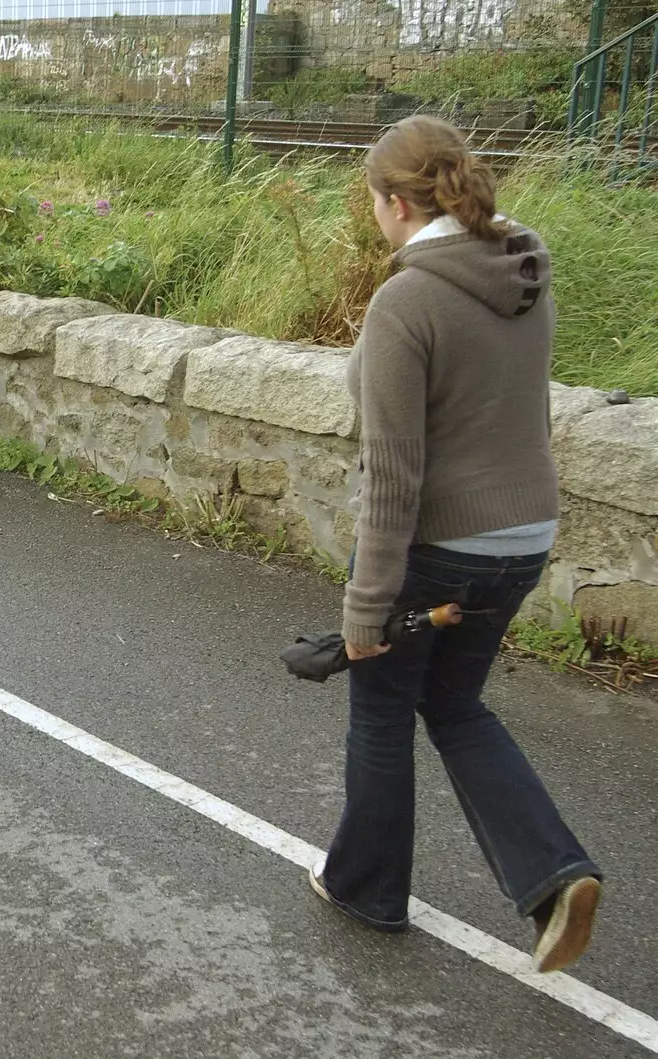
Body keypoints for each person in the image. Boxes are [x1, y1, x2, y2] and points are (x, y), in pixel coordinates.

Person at [309, 115, 601, 974]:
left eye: (373, 201)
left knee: (383, 708)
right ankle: (555, 875)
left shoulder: (409, 299)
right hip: (524, 533)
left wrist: (366, 608)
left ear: (396, 202)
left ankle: (365, 886)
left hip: (441, 540)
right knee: (457, 702)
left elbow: (395, 474)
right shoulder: (524, 268)